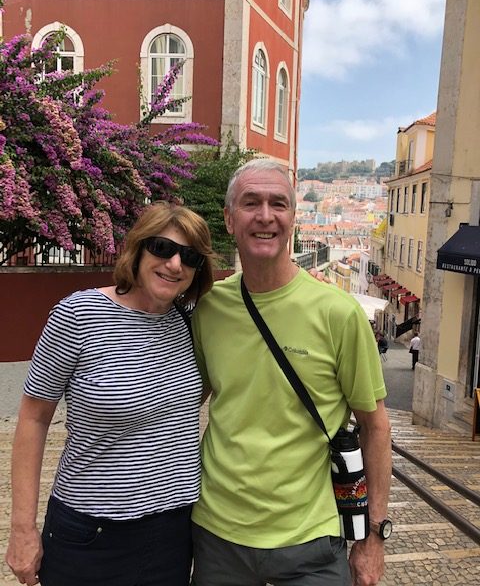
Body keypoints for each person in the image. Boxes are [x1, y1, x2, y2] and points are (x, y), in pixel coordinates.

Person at [191, 159, 392, 586]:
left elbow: (375, 426)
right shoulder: (209, 308)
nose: (266, 216)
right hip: (218, 536)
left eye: (278, 204)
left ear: (293, 219)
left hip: (312, 543)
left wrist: (373, 536)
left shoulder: (338, 313)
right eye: (251, 203)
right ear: (229, 219)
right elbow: (183, 405)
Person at [6, 203, 215, 586]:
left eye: (189, 256)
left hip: (173, 531)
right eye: (162, 248)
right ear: (137, 248)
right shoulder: (78, 315)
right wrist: (22, 529)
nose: (174, 264)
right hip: (90, 534)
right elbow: (34, 419)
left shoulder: (191, 322)